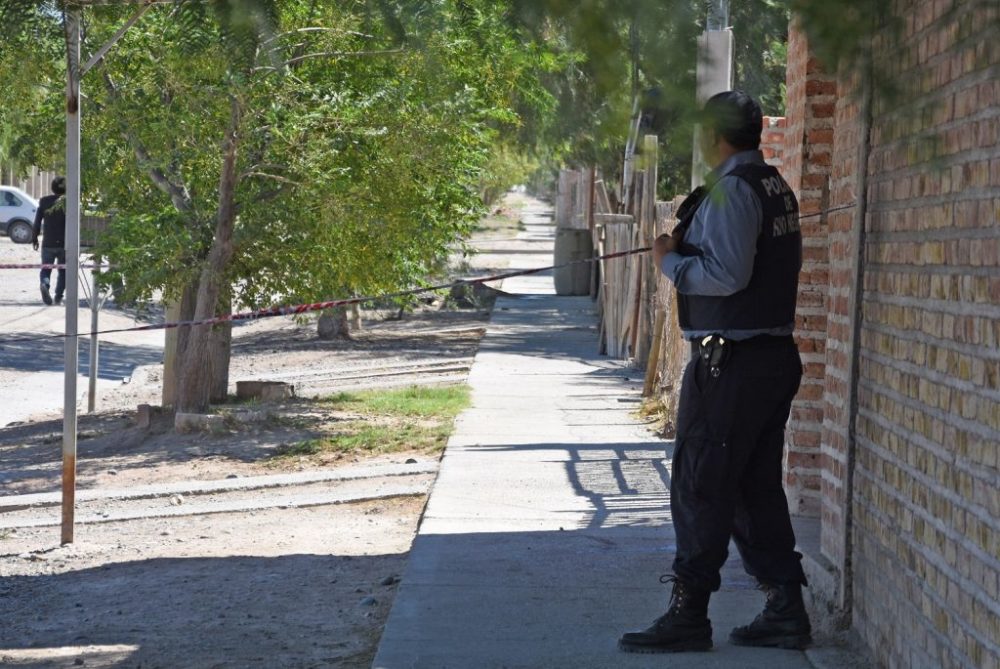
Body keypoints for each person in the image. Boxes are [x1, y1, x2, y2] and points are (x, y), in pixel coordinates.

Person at [618, 90, 811, 654]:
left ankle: (689, 613)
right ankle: (784, 606)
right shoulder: (771, 185)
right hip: (766, 358)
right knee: (753, 489)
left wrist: (668, 261)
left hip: (732, 363)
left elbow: (725, 275)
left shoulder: (733, 193)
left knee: (702, 485)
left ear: (714, 136)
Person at [31, 176, 67, 306]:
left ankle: (44, 284)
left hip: (48, 243)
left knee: (46, 268)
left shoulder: (44, 202)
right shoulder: (69, 202)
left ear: (52, 188)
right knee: (63, 271)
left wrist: (34, 239)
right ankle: (58, 297)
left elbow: (37, 222)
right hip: (65, 244)